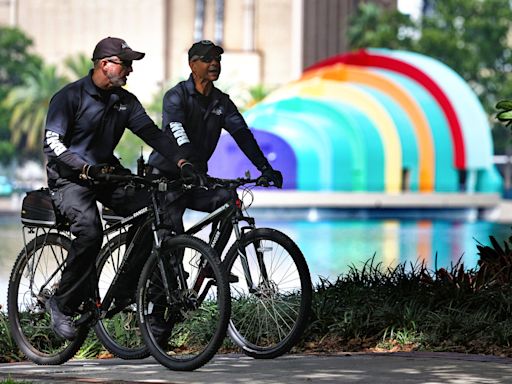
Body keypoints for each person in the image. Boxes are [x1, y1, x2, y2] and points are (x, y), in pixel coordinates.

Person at [43, 37, 182, 340]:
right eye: (125, 63)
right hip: (70, 179)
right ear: (104, 64)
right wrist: (83, 167)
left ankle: (126, 287)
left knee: (154, 210)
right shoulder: (69, 97)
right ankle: (61, 303)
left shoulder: (125, 101)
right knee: (90, 232)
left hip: (107, 175)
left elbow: (152, 134)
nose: (130, 69)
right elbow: (52, 143)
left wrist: (183, 160)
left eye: (131, 64)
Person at [147, 39, 282, 254]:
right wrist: (188, 163)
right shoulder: (176, 96)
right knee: (172, 243)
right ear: (192, 65)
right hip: (165, 176)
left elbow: (243, 136)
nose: (214, 64)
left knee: (228, 201)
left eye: (218, 59)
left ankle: (211, 265)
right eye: (207, 59)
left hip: (196, 178)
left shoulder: (222, 102)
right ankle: (161, 286)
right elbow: (177, 131)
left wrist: (265, 168)